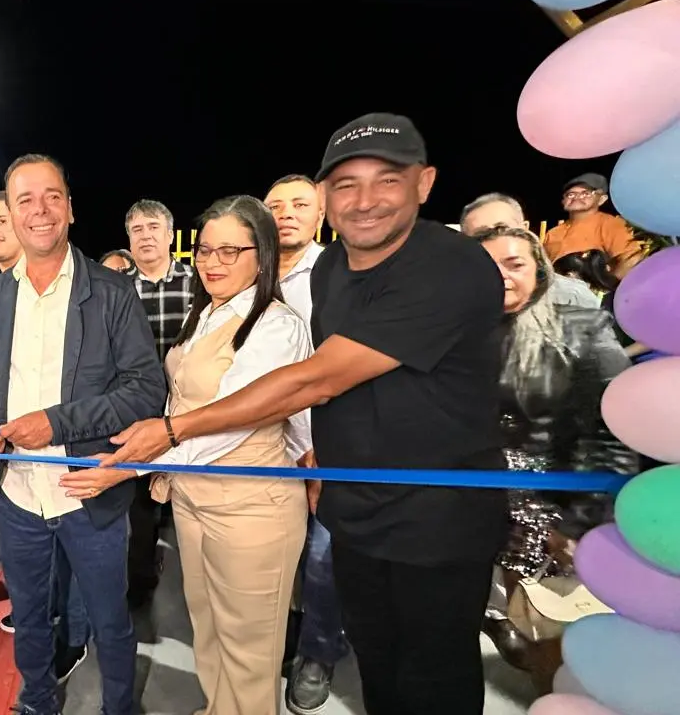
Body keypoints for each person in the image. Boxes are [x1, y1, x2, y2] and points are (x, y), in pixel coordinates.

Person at [103, 114, 509, 715]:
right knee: (374, 664)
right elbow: (323, 401)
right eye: (346, 184)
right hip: (351, 506)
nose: (364, 200)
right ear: (327, 197)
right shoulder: (333, 271)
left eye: (387, 180)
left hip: (434, 517)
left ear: (424, 183)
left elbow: (315, 378)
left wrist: (160, 441)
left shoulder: (449, 264)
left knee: (432, 676)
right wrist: (313, 451)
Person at [63, 194, 313, 715]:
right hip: (194, 498)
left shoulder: (275, 325)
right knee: (209, 630)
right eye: (205, 250)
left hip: (249, 506)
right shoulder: (208, 313)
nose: (212, 263)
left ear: (262, 256)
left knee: (249, 651)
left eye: (230, 251)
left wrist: (131, 466)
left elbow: (233, 423)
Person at [0, 154, 167, 715]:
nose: (40, 210)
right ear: (11, 214)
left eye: (52, 196)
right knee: (30, 617)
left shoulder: (111, 292)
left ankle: (119, 706)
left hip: (88, 490)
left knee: (109, 619)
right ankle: (37, 700)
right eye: (25, 200)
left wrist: (57, 423)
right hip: (18, 494)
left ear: (71, 209)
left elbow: (145, 390)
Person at [470, 226, 637, 693]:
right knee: (528, 625)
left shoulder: (581, 327)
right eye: (487, 267)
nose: (501, 277)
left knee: (560, 640)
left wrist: (580, 521)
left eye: (514, 264)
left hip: (554, 512)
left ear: (540, 271)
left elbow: (612, 428)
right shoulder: (462, 333)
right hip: (485, 510)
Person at [265, 174, 345, 714]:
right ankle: (292, 633)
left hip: (323, 445)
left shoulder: (338, 274)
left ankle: (319, 652)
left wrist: (327, 445)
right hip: (265, 445)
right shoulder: (251, 273)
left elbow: (343, 369)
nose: (286, 213)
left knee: (322, 559)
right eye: (275, 205)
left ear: (320, 214)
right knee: (281, 555)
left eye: (299, 204)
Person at [124, 199, 195, 607]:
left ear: (170, 235)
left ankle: (197, 580)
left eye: (153, 227)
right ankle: (142, 580)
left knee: (192, 496)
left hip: (191, 408)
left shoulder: (198, 281)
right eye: (137, 229)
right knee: (140, 501)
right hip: (137, 409)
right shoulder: (117, 288)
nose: (146, 236)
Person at [460, 193, 600, 309]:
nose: (495, 240)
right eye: (481, 235)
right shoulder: (455, 299)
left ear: (524, 229)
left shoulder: (571, 297)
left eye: (503, 229)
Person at [542, 174, 643, 279]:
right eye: (571, 194)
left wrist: (609, 285)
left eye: (586, 193)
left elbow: (633, 259)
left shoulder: (610, 224)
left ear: (602, 199)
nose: (577, 197)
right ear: (563, 201)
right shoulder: (553, 233)